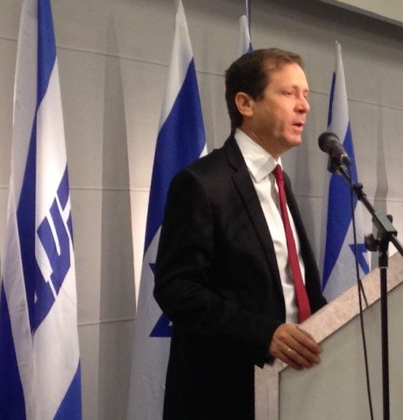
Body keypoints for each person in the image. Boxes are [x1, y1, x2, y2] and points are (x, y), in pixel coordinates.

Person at [153, 48, 327, 419]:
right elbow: (177, 289)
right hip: (225, 395)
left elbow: (292, 287)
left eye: (305, 95)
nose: (304, 106)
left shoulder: (280, 182)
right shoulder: (202, 183)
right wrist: (264, 334)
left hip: (294, 388)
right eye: (289, 93)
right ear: (245, 103)